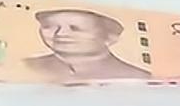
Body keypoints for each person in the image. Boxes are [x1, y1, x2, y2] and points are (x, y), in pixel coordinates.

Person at [22, 7, 152, 82]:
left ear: (110, 37)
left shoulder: (136, 77)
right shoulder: (26, 66)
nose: (61, 33)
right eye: (49, 26)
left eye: (75, 28)